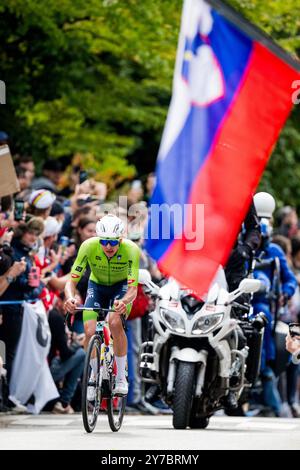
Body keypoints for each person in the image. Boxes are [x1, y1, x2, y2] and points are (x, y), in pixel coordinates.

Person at [64, 214, 140, 397]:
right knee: (89, 330)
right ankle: (93, 376)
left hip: (121, 287)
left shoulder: (131, 249)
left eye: (113, 243)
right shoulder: (88, 246)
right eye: (104, 241)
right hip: (96, 286)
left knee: (114, 322)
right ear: (99, 239)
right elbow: (71, 282)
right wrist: (70, 298)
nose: (108, 246)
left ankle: (121, 377)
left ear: (120, 239)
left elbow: (133, 289)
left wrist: (124, 302)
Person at [252, 192, 297, 417]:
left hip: (263, 306)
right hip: (237, 303)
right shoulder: (241, 247)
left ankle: (263, 374)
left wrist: (285, 293)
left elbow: (289, 280)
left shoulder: (274, 252)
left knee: (261, 321)